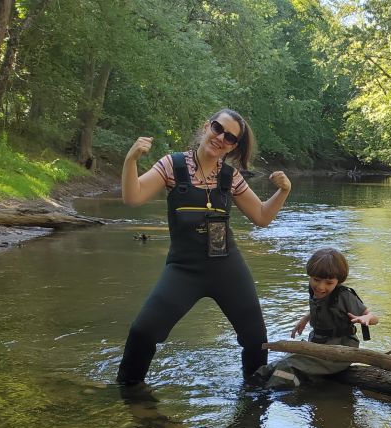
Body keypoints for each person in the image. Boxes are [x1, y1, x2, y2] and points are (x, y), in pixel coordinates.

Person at [116, 108, 291, 385]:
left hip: (227, 268)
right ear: (206, 127)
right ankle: (128, 393)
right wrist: (130, 160)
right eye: (218, 129)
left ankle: (254, 401)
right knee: (143, 331)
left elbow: (261, 217)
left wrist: (284, 191)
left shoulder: (230, 177)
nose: (221, 138)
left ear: (234, 147)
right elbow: (133, 197)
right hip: (184, 269)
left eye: (231, 138)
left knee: (256, 339)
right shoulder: (171, 166)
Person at [252, 247, 378, 388]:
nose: (320, 287)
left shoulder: (344, 296)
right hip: (317, 343)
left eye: (329, 283)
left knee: (285, 368)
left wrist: (367, 319)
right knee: (270, 368)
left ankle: (267, 397)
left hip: (339, 351)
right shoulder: (313, 290)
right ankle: (251, 387)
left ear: (338, 281)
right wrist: (305, 319)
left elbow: (373, 317)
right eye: (316, 280)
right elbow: (321, 307)